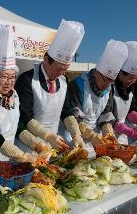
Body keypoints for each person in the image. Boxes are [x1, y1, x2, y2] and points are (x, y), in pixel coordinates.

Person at [0, 25, 47, 165]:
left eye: (13, 77)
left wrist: (36, 144)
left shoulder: (12, 97)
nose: (9, 82)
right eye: (4, 76)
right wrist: (23, 156)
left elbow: (19, 127)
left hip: (9, 160)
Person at [15, 20, 85, 151]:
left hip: (54, 145)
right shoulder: (27, 80)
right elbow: (25, 116)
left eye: (65, 70)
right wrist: (47, 136)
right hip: (29, 146)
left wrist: (76, 134)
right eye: (59, 69)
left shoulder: (63, 81)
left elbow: (66, 112)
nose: (61, 73)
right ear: (46, 59)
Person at [61, 39, 128, 155]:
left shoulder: (109, 89)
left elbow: (106, 114)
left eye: (112, 81)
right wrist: (91, 135)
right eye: (106, 79)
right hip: (75, 138)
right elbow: (73, 116)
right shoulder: (78, 84)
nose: (108, 84)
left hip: (97, 141)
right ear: (97, 72)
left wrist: (108, 133)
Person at [111, 41, 137, 144]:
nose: (132, 81)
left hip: (123, 136)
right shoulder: (110, 87)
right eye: (130, 78)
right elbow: (107, 116)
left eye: (135, 78)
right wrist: (129, 131)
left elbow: (131, 109)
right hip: (108, 134)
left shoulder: (130, 89)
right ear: (120, 73)